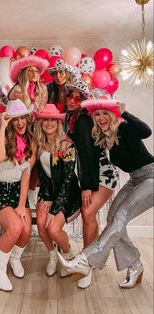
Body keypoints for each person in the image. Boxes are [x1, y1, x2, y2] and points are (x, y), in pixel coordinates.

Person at [58, 96, 154, 289]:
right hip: (135, 179)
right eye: (97, 114)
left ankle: (85, 260)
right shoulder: (103, 137)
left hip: (151, 177)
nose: (100, 117)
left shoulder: (124, 127)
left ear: (112, 114)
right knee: (113, 220)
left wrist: (124, 112)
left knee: (121, 215)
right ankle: (135, 265)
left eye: (104, 113)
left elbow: (146, 131)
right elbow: (85, 147)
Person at [64, 84, 119, 288]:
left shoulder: (84, 120)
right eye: (69, 96)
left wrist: (87, 186)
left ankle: (86, 263)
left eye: (78, 98)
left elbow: (87, 154)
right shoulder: (73, 119)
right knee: (90, 215)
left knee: (87, 213)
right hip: (91, 173)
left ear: (84, 102)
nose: (72, 100)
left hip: (101, 174)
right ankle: (91, 258)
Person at [0, 99, 35, 292]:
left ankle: (15, 258)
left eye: (23, 118)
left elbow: (26, 176)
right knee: (15, 226)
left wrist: (22, 205)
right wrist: (3, 126)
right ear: (9, 121)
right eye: (15, 119)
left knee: (26, 231)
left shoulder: (30, 142)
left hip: (16, 192)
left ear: (27, 119)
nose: (20, 123)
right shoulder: (3, 137)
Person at [33, 103, 81, 277]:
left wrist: (55, 207)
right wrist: (46, 197)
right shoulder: (39, 143)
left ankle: (68, 255)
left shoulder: (67, 145)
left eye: (53, 119)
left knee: (53, 229)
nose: (49, 123)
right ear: (40, 123)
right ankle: (53, 256)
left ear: (59, 122)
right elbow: (43, 175)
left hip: (67, 194)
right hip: (48, 192)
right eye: (45, 119)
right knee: (40, 223)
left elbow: (67, 181)